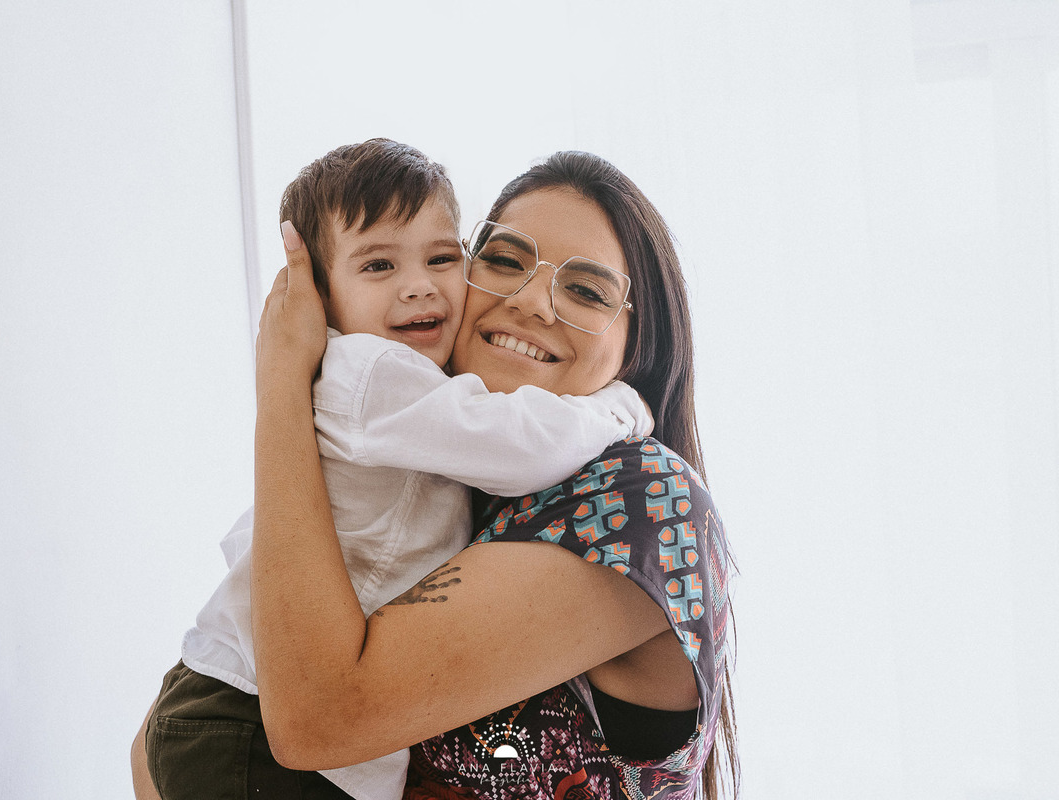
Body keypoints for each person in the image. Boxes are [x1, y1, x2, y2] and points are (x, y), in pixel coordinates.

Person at [134, 140, 653, 800]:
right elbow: (524, 446)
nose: (419, 284)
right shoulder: (371, 375)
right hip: (247, 721)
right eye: (378, 264)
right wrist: (618, 410)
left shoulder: (409, 399)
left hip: (260, 724)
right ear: (317, 295)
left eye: (442, 258)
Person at [248, 151, 738, 800]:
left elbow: (316, 718)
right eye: (504, 261)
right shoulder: (443, 492)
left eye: (586, 290)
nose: (532, 301)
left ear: (637, 343)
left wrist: (284, 381)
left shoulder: (642, 501)